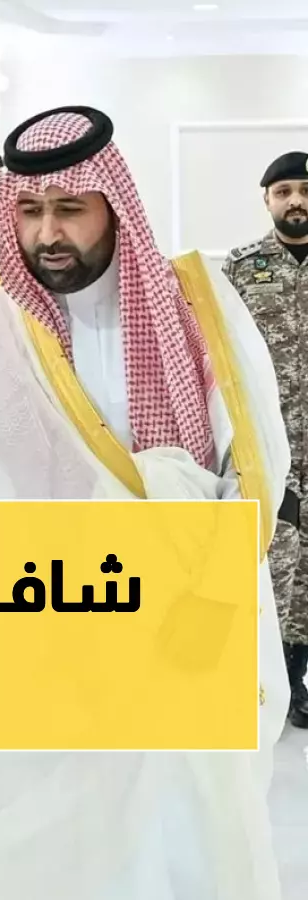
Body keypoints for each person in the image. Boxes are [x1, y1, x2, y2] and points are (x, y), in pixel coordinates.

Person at [0, 106, 290, 900]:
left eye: (69, 209)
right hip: (57, 628)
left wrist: (213, 599)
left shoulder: (200, 307)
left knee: (192, 826)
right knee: (80, 841)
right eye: (29, 210)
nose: (46, 232)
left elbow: (256, 459)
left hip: (193, 616)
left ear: (113, 205)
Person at [223, 150, 308, 729]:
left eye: (305, 190)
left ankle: (295, 682)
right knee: (273, 568)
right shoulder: (241, 267)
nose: (295, 201)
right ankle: (265, 686)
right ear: (267, 200)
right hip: (269, 442)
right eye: (284, 192)